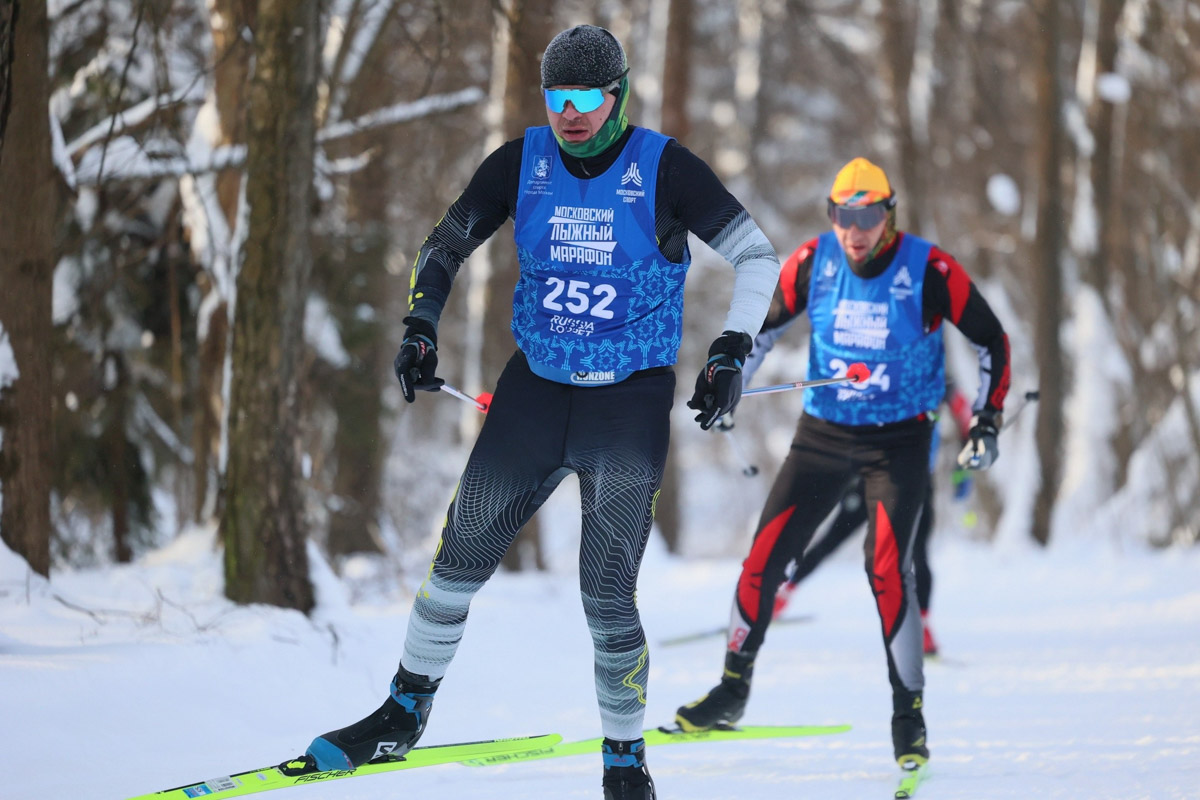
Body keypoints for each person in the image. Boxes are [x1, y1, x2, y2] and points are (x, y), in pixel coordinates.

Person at [301, 25, 781, 800]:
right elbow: (445, 241)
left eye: (587, 98)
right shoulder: (520, 162)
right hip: (535, 389)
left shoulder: (664, 168)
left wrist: (730, 349)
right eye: (557, 98)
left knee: (605, 592)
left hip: (626, 400)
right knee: (455, 560)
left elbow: (758, 256)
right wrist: (420, 326)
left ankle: (625, 761)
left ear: (617, 96)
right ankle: (401, 711)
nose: (570, 114)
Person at [674, 157, 1010, 774]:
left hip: (901, 442)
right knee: (763, 558)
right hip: (824, 436)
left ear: (889, 215)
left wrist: (987, 418)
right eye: (842, 215)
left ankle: (908, 715)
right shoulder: (814, 263)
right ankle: (732, 689)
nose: (854, 230)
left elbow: (991, 338)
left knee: (885, 568)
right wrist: (730, 383)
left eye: (868, 215)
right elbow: (763, 329)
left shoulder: (928, 268)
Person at [767, 381, 975, 657]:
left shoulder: (940, 381)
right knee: (833, 538)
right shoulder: (885, 368)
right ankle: (779, 596)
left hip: (917, 481)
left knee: (918, 554)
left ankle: (922, 628)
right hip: (873, 475)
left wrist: (963, 469)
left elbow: (967, 421)